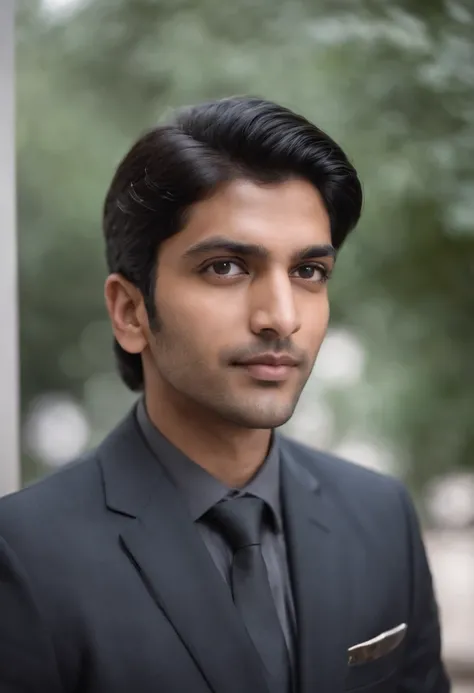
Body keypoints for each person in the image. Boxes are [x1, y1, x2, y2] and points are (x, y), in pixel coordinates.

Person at [0, 96, 450, 693]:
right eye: (226, 268)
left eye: (308, 272)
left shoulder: (380, 517)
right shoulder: (24, 555)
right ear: (131, 311)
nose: (281, 318)